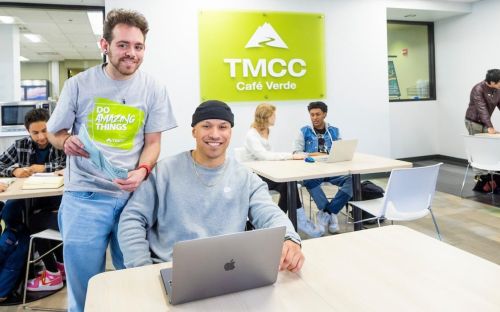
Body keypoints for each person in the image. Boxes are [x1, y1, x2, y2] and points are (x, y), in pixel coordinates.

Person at [46, 9, 177, 312]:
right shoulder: (78, 85)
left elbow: (154, 143)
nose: (131, 53)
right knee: (85, 289)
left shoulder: (153, 88)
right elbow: (54, 133)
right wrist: (65, 141)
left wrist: (143, 170)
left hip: (133, 198)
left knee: (134, 281)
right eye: (123, 45)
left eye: (138, 46)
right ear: (104, 45)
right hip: (84, 197)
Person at [118, 100, 304, 273]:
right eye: (206, 126)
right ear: (194, 131)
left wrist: (289, 238)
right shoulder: (164, 172)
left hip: (228, 270)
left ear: (230, 132)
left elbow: (269, 213)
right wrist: (141, 268)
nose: (215, 134)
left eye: (223, 127)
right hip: (172, 268)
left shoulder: (245, 177)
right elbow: (132, 218)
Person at [0, 108, 66, 301]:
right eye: (35, 133)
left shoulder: (60, 143)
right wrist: (14, 171)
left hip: (54, 202)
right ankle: (41, 267)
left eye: (44, 130)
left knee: (35, 222)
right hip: (27, 199)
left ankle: (55, 269)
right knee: (12, 214)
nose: (41, 137)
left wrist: (45, 167)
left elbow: (69, 163)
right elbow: (1, 163)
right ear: (28, 132)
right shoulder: (20, 145)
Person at [241, 103, 323, 238]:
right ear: (266, 116)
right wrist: (291, 156)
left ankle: (278, 224)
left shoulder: (266, 130)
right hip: (255, 175)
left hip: (266, 171)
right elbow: (264, 156)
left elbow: (268, 157)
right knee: (287, 184)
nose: (275, 117)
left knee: (288, 183)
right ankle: (291, 222)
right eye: (273, 115)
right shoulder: (252, 134)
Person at [293, 101, 353, 234]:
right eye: (312, 115)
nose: (314, 117)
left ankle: (327, 213)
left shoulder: (334, 131)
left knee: (352, 180)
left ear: (324, 114)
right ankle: (332, 216)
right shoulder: (304, 131)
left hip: (333, 169)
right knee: (309, 181)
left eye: (317, 114)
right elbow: (296, 153)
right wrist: (316, 154)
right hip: (313, 171)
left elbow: (341, 149)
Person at [465, 69, 500, 135]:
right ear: (492, 82)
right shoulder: (478, 89)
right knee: (477, 144)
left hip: (485, 122)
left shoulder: (497, 89)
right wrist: (490, 126)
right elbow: (482, 109)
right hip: (474, 122)